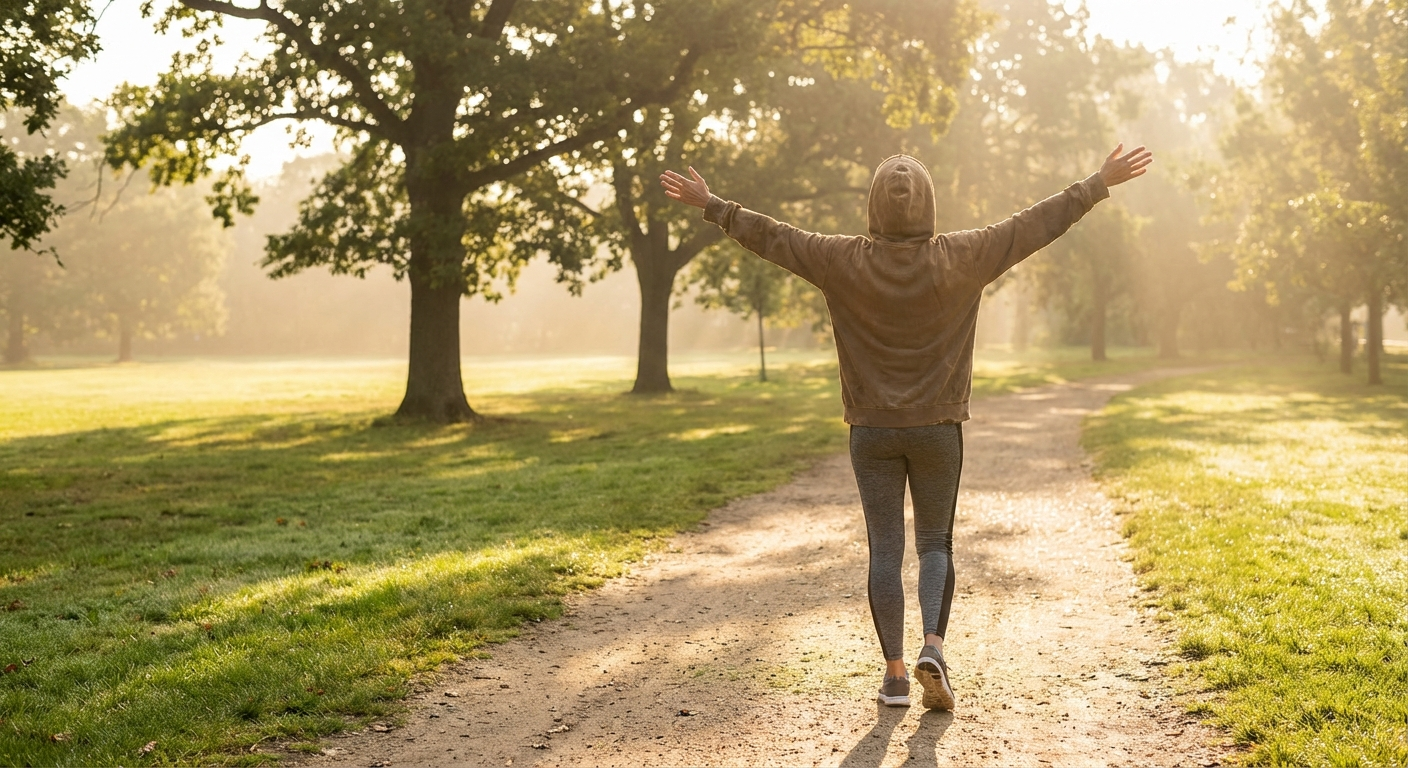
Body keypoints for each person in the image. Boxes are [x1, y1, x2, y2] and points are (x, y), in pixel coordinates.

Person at [660, 144, 1153, 710]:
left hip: (871, 431)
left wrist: (713, 204)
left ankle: (895, 675)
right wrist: (1097, 182)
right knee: (935, 543)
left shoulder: (840, 258)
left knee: (885, 550)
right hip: (939, 428)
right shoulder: (964, 255)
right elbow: (1035, 224)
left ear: (874, 205)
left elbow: (774, 236)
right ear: (929, 203)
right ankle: (933, 649)